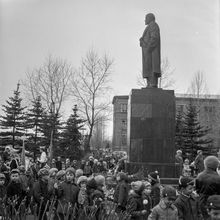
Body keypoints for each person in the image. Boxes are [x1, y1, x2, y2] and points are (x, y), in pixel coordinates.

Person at [139, 13, 161, 88]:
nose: (145, 20)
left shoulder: (153, 25)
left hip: (151, 53)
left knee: (152, 68)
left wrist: (148, 48)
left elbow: (154, 38)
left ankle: (152, 83)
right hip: (148, 53)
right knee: (149, 68)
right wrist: (142, 41)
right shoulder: (150, 26)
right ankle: (150, 84)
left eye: (146, 18)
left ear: (150, 18)